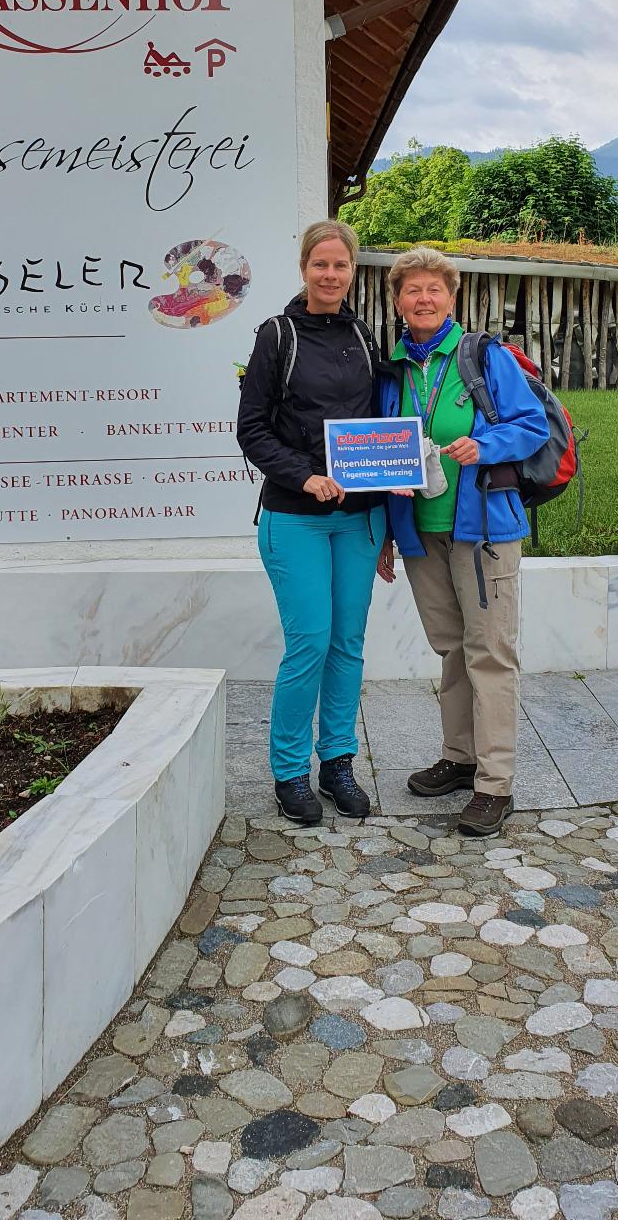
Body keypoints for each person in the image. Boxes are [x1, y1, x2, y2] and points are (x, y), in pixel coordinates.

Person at [377, 247, 548, 837]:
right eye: (411, 290)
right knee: (452, 648)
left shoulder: (485, 356)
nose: (423, 299)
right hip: (421, 533)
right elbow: (378, 452)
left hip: (483, 533)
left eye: (434, 289)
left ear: (452, 298)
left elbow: (531, 426)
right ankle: (458, 756)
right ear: (397, 301)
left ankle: (494, 783)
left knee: (490, 653)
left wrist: (486, 446)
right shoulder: (394, 369)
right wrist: (385, 537)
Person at [236, 219, 384, 826]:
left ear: (353, 271)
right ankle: (290, 772)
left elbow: (381, 428)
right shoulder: (277, 335)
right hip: (295, 516)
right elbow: (251, 429)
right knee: (310, 643)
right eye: (320, 264)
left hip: (359, 519)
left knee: (348, 646)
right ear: (303, 269)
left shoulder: (364, 334)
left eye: (341, 265)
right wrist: (304, 475)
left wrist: (390, 519)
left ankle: (338, 763)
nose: (330, 275)